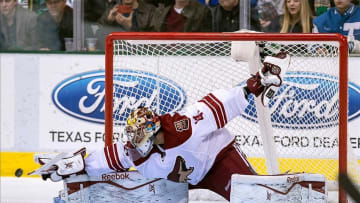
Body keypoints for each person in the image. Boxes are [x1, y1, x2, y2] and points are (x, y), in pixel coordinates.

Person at [32, 49, 291, 201]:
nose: (134, 148)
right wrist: (78, 164)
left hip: (219, 159)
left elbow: (219, 105)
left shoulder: (184, 126)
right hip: (190, 180)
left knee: (252, 198)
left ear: (153, 133)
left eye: (138, 141)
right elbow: (110, 156)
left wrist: (255, 83)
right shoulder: (136, 148)